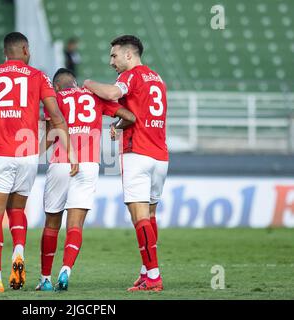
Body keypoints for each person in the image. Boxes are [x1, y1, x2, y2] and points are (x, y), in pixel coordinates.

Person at [0, 32, 78, 293]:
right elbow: (56, 117)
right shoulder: (38, 77)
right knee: (17, 209)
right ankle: (19, 251)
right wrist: (72, 153)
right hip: (27, 154)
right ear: (24, 49)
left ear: (5, 51)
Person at [36, 68, 136, 291]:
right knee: (75, 225)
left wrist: (35, 153)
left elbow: (52, 132)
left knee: (52, 223)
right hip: (89, 165)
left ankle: (45, 279)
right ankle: (66, 270)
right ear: (75, 82)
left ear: (57, 87)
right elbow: (130, 117)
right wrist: (115, 127)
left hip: (62, 163)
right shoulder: (94, 97)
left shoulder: (56, 99)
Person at [83, 35, 169, 292]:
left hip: (137, 152)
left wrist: (87, 83)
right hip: (160, 155)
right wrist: (119, 124)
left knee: (139, 217)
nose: (111, 62)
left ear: (129, 55)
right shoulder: (157, 78)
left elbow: (110, 93)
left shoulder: (131, 76)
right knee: (150, 215)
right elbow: (140, 114)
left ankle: (153, 276)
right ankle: (146, 270)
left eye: (114, 56)